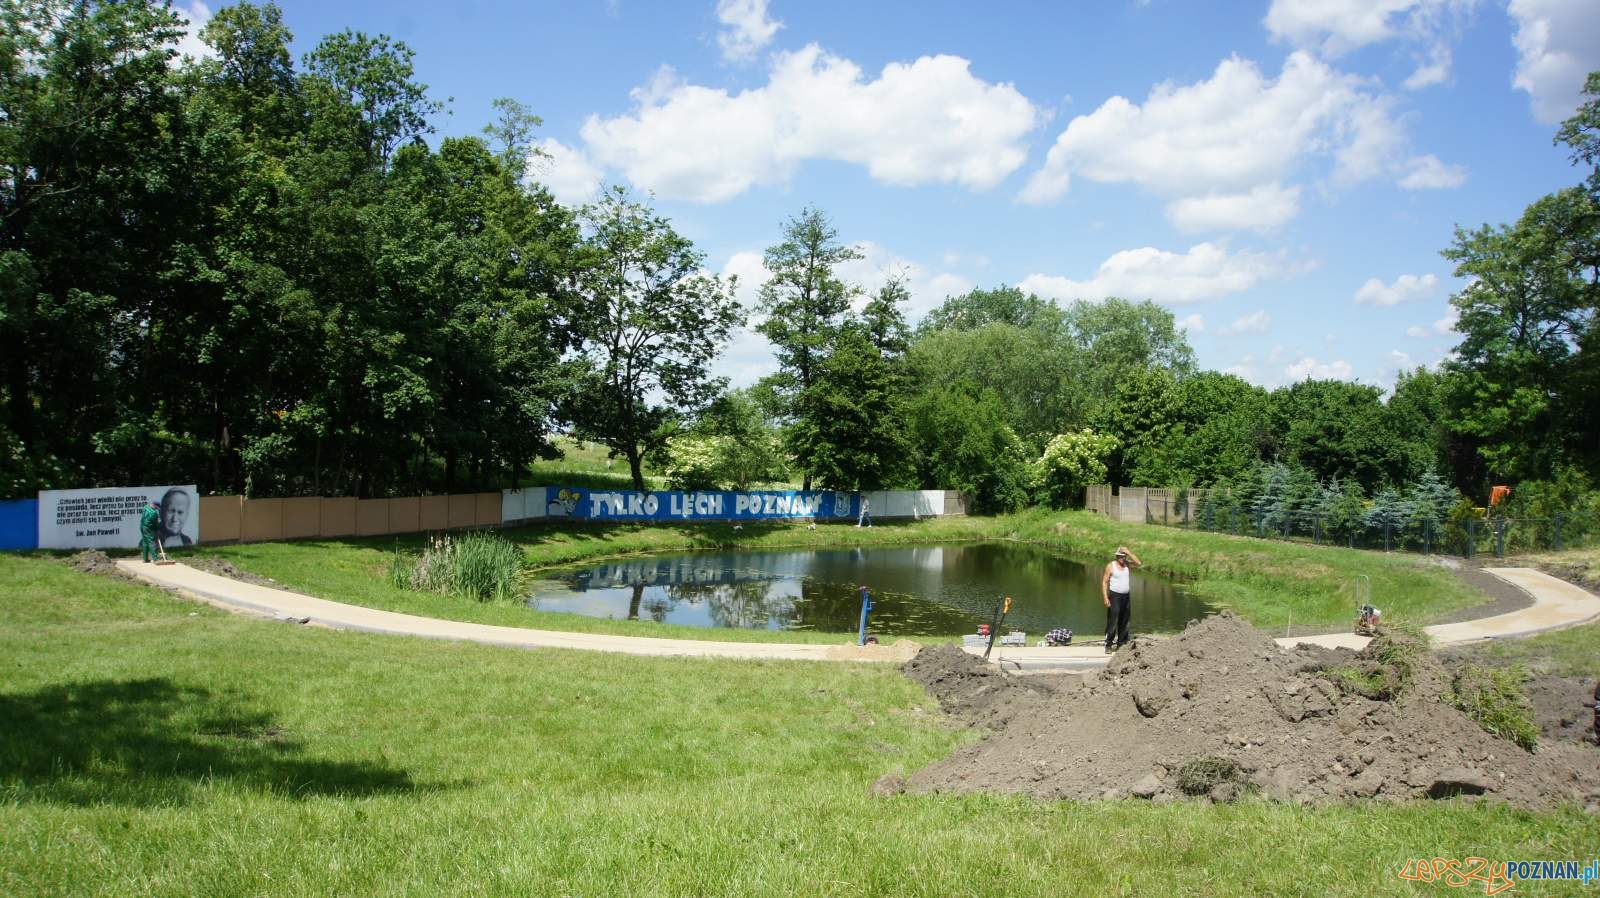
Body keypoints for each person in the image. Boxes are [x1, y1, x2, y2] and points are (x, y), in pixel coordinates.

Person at [1101, 545, 1142, 653]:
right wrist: (1106, 598)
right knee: (1113, 621)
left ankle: (1121, 644)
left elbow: (1138, 563)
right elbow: (1104, 582)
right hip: (1115, 596)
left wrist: (1128, 552)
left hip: (1126, 596)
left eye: (1123, 556)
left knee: (1124, 621)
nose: (1121, 558)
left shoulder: (1127, 564)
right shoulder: (1111, 566)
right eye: (1119, 556)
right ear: (1116, 556)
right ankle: (1108, 645)